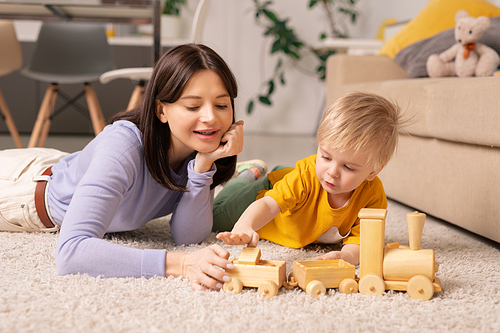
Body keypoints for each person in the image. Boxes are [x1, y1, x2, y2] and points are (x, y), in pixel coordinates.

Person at [0, 44, 244, 291]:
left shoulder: (196, 151)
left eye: (221, 105)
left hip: (64, 164)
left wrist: (203, 166)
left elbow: (188, 238)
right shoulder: (124, 146)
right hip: (20, 187)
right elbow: (71, 252)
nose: (211, 118)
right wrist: (180, 265)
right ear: (161, 110)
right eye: (193, 106)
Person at [214, 92, 406, 266]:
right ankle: (245, 176)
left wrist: (347, 256)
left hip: (296, 194)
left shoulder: (373, 197)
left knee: (297, 181)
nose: (332, 172)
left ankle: (279, 173)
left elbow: (361, 241)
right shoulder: (307, 174)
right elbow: (268, 205)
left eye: (348, 167)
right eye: (326, 157)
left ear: (373, 171)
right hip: (265, 192)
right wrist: (245, 225)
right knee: (215, 218)